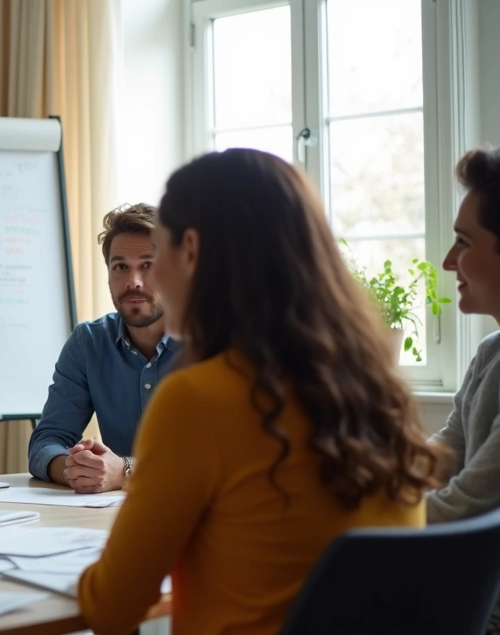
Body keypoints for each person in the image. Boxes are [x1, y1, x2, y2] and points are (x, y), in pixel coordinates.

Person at [78, 149, 441, 634]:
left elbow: (111, 609)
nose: (150, 277)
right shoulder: (376, 390)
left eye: (158, 254)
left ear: (191, 250)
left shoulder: (198, 399)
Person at [28, 203, 179, 492]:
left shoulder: (214, 342)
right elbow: (45, 442)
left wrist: (125, 471)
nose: (133, 282)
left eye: (148, 265)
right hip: (111, 515)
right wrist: (78, 469)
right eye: (120, 266)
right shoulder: (88, 342)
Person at [427, 147, 500, 633]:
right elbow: (440, 457)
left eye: (462, 242)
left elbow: (461, 509)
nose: (450, 260)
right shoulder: (491, 351)